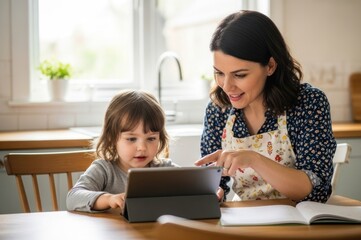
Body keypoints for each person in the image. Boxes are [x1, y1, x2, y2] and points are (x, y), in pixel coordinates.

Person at [195, 10, 336, 203]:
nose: (227, 87)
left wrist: (254, 159)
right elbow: (215, 181)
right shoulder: (218, 110)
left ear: (270, 66)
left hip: (302, 223)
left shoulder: (309, 103)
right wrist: (213, 191)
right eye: (219, 73)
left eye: (239, 75)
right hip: (246, 223)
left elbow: (315, 191)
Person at [67, 89, 177, 212]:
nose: (142, 147)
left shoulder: (166, 169)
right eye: (131, 139)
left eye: (151, 138)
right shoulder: (104, 170)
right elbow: (73, 198)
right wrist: (108, 199)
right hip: (112, 231)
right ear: (112, 138)